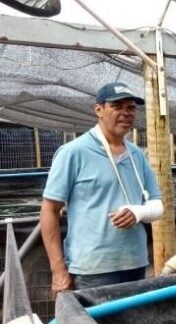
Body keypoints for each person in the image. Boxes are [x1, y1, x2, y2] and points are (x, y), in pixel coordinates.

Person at [40, 82, 164, 294]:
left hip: (135, 263)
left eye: (131, 107)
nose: (126, 113)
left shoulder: (137, 156)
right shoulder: (73, 152)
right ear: (99, 110)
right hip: (93, 270)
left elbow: (157, 204)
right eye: (117, 106)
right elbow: (49, 210)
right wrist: (58, 270)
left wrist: (138, 212)